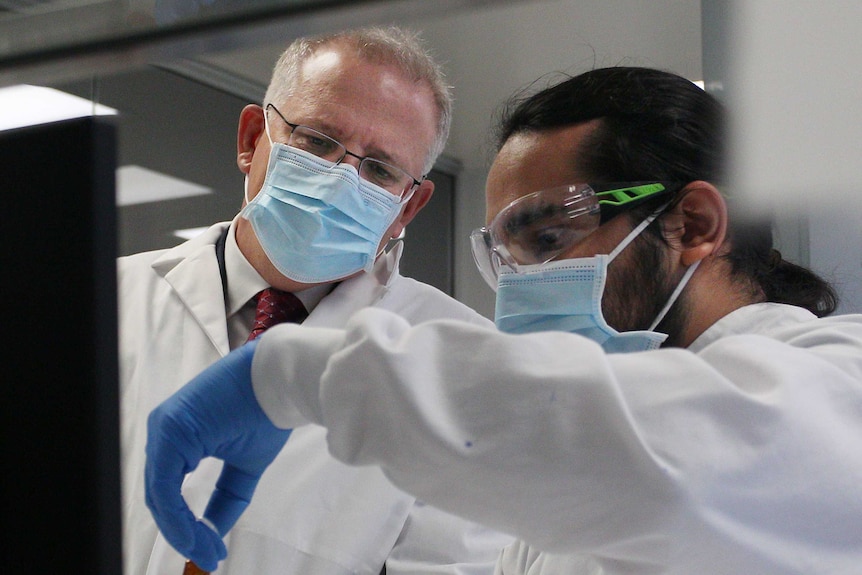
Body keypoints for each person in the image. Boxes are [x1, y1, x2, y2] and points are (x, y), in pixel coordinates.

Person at [144, 66, 862, 574]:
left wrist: (296, 374)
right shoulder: (562, 503)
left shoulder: (837, 381)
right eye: (505, 257)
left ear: (694, 222)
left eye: (546, 239)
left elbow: (665, 458)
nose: (517, 291)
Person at [120, 26, 513, 575]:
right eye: (317, 140)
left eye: (379, 169)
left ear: (408, 206)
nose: (338, 180)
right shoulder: (107, 302)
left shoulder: (457, 361)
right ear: (254, 136)